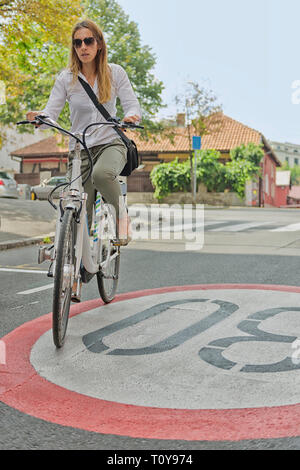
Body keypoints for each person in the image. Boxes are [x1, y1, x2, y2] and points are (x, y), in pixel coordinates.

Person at [26, 19, 142, 245]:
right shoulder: (66, 79)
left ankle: (122, 219)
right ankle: (76, 263)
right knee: (78, 207)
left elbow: (132, 104)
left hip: (110, 143)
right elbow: (52, 113)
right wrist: (41, 118)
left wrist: (131, 117)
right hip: (80, 149)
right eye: (77, 43)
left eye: (88, 41)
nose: (83, 47)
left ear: (99, 44)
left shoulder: (115, 73)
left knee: (102, 174)